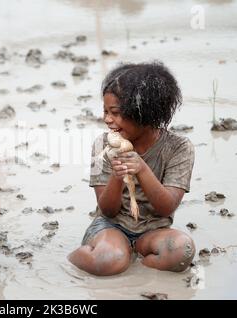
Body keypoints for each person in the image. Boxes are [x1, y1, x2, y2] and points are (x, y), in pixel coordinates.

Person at [68, 62, 195, 276]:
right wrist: (118, 176)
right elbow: (108, 210)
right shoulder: (103, 145)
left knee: (183, 250)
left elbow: (167, 208)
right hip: (112, 227)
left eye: (115, 113)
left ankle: (137, 270)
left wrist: (142, 169)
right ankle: (79, 257)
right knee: (110, 259)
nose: (108, 119)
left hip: (154, 231)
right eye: (105, 111)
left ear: (144, 114)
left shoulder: (179, 148)